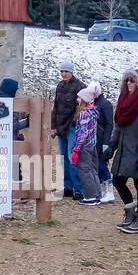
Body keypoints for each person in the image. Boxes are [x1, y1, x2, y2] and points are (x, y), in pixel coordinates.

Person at [104, 68, 138, 233]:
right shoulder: (125, 101)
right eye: (127, 80)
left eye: (133, 81)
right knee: (118, 180)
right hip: (124, 150)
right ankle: (131, 211)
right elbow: (119, 128)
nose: (129, 83)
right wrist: (111, 147)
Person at [51, 61, 85, 198]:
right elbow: (56, 106)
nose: (64, 74)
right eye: (62, 71)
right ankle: (67, 186)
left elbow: (79, 110)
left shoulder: (80, 87)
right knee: (63, 158)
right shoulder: (60, 86)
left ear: (71, 72)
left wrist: (66, 125)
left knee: (73, 157)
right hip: (60, 127)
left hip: (72, 127)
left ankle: (79, 188)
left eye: (66, 71)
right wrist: (53, 126)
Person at [70, 84, 102, 204]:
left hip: (84, 146)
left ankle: (90, 197)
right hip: (92, 145)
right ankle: (97, 195)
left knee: (84, 170)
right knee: (93, 170)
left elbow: (82, 133)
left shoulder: (84, 114)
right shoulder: (93, 113)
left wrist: (77, 149)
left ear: (84, 100)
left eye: (79, 98)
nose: (77, 100)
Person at [91, 81, 115, 203]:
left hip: (102, 140)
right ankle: (101, 189)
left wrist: (106, 142)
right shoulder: (93, 104)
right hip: (94, 140)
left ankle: (109, 191)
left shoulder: (105, 104)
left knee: (102, 164)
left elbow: (110, 124)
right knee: (96, 165)